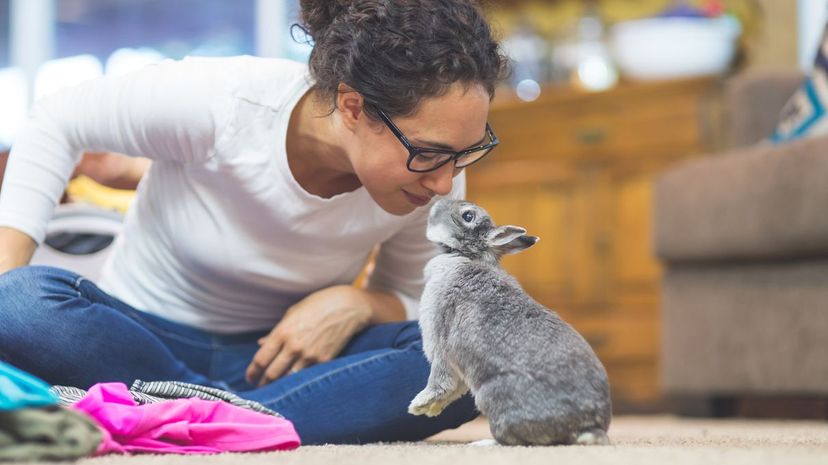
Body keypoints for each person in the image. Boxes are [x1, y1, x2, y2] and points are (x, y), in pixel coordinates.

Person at [0, 0, 507, 444]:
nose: (444, 183)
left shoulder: (435, 175)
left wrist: (356, 301)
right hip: (136, 342)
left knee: (471, 352)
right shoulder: (224, 103)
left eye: (466, 155)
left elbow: (413, 300)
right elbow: (56, 120)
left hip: (287, 361)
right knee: (19, 301)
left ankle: (188, 420)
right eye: (430, 154)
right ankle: (243, 423)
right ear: (354, 107)